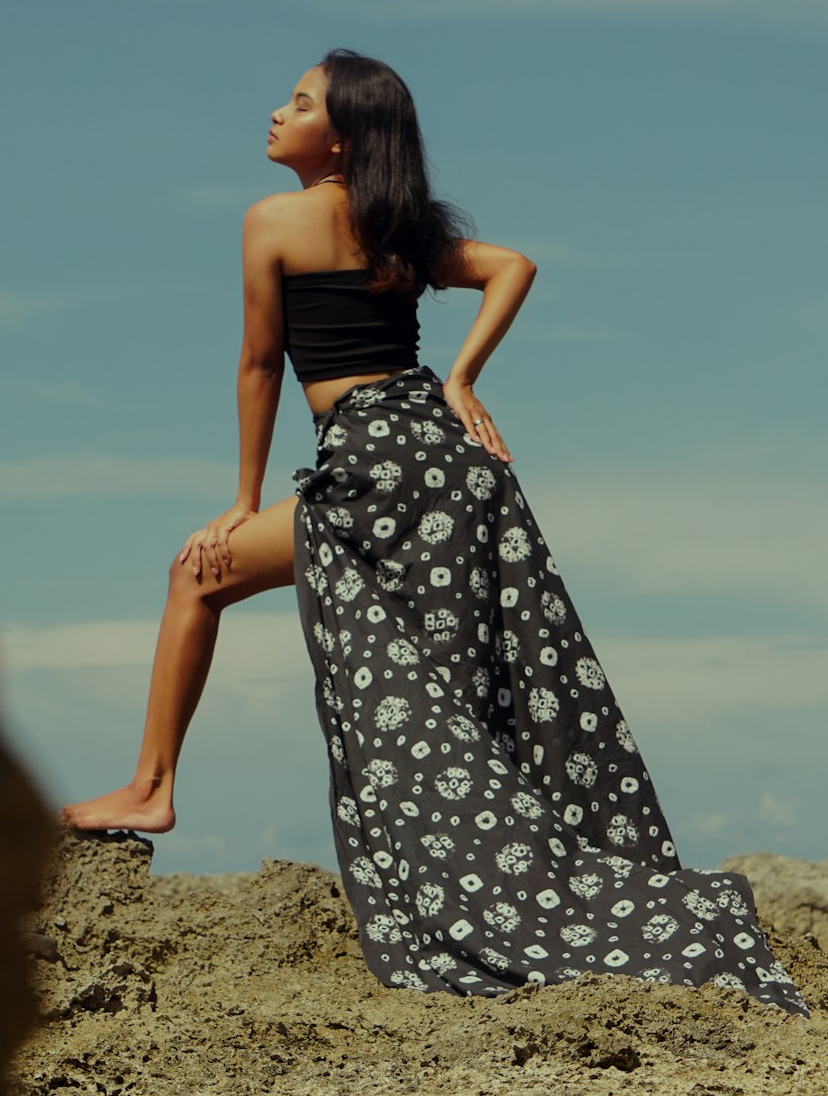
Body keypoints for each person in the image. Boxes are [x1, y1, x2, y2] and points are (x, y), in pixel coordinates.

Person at [62, 50, 807, 1016]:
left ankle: (150, 787)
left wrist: (242, 500)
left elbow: (258, 366)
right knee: (457, 682)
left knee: (195, 577)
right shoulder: (400, 227)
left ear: (340, 136)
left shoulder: (273, 222)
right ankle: (161, 787)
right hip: (445, 461)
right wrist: (461, 380)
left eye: (297, 103)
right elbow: (513, 265)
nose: (275, 113)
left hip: (372, 463)